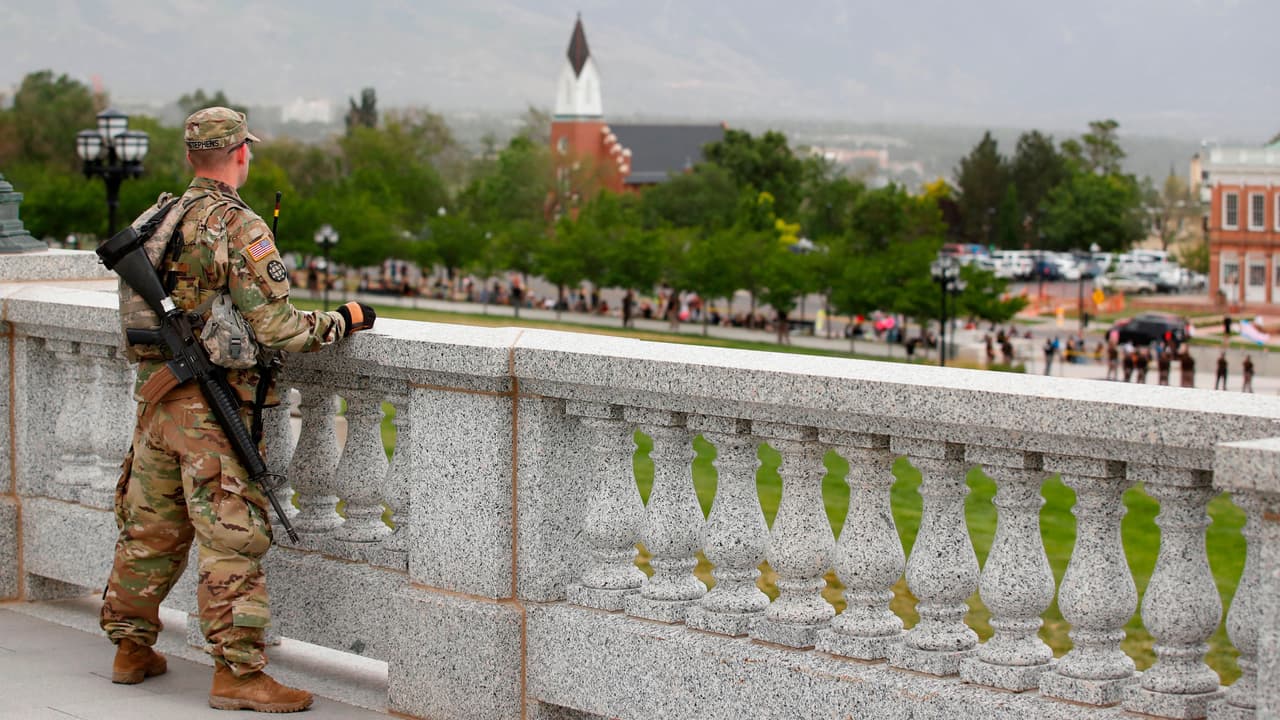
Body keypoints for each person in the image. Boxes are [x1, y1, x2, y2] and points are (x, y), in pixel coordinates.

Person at [100, 108, 376, 714]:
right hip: (212, 407)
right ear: (240, 154)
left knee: (150, 529)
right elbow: (279, 330)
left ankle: (129, 649)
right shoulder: (238, 225)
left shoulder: (161, 214)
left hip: (158, 402)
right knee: (231, 537)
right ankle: (238, 675)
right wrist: (344, 320)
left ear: (193, 154)